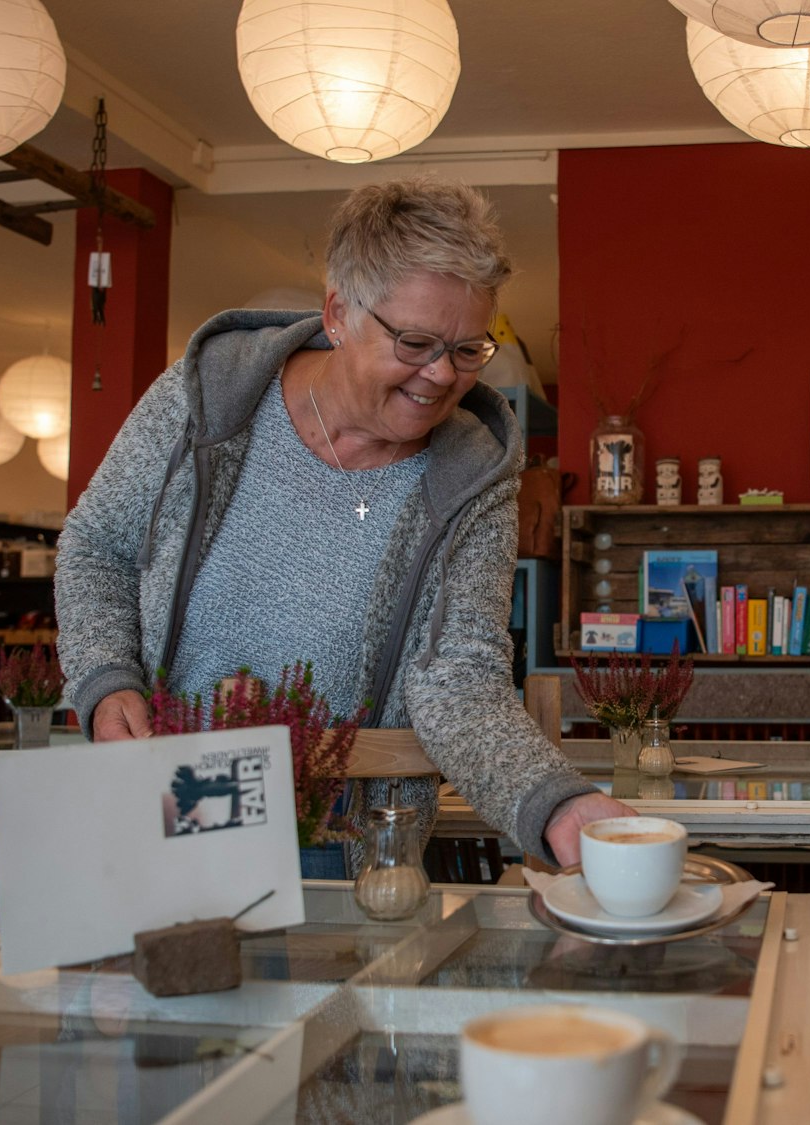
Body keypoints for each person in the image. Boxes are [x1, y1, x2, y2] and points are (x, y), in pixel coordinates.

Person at [56, 178, 631, 867]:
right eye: (416, 342)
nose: (443, 375)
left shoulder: (473, 477)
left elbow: (461, 676)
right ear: (338, 314)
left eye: (468, 349)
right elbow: (96, 545)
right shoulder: (204, 400)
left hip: (347, 832)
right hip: (165, 785)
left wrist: (556, 799)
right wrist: (105, 676)